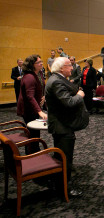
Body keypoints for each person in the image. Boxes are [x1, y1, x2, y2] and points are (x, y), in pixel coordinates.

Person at [45, 57, 88, 198]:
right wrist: (80, 95)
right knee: (65, 158)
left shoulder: (57, 78)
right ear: (61, 68)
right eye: (69, 66)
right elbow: (68, 103)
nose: (72, 68)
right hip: (62, 126)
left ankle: (58, 183)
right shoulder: (56, 81)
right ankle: (65, 189)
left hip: (61, 124)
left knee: (60, 156)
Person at [17, 54, 47, 153]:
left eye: (41, 61)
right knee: (33, 133)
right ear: (31, 65)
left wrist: (44, 97)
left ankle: (35, 151)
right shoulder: (29, 77)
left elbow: (42, 86)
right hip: (28, 108)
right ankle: (31, 154)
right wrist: (39, 111)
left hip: (35, 107)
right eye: (38, 62)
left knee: (35, 132)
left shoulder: (39, 73)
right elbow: (30, 96)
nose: (41, 63)